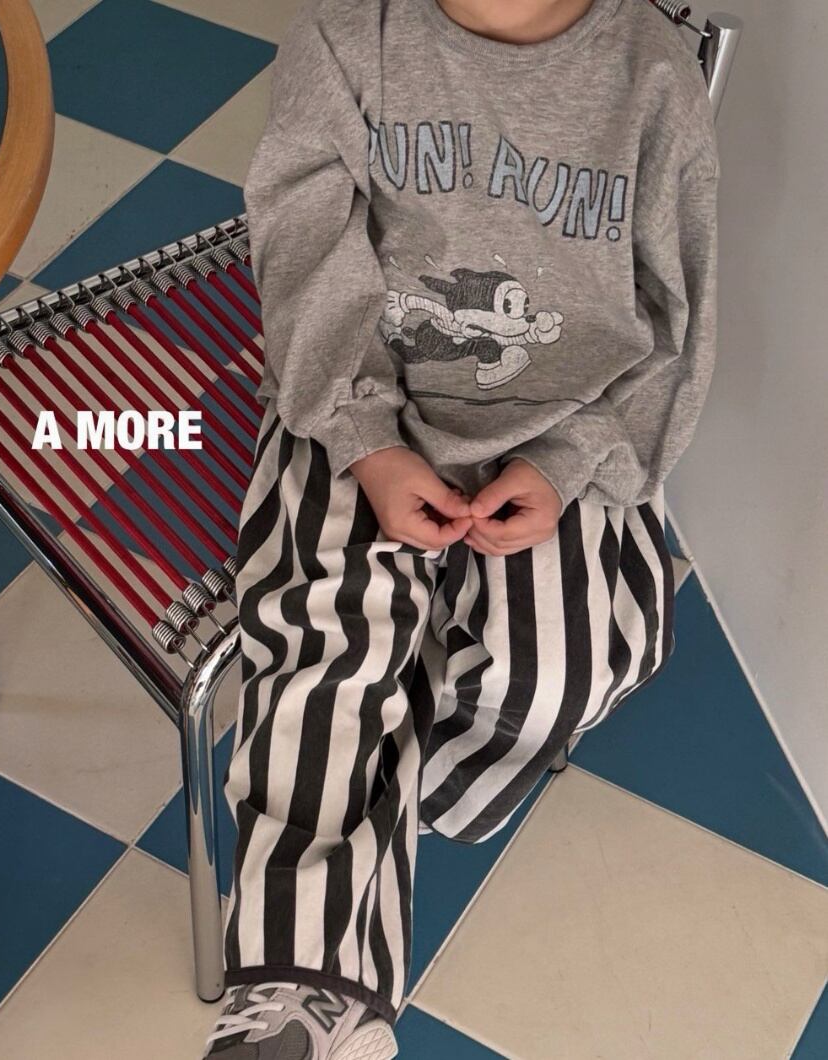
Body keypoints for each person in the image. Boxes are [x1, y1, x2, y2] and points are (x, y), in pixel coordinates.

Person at [202, 0, 719, 1055]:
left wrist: (566, 459)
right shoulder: (345, 37)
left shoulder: (656, 79)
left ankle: (409, 795)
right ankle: (307, 988)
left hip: (567, 425)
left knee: (570, 662)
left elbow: (675, 323)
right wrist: (365, 440)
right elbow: (304, 247)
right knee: (330, 644)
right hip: (362, 404)